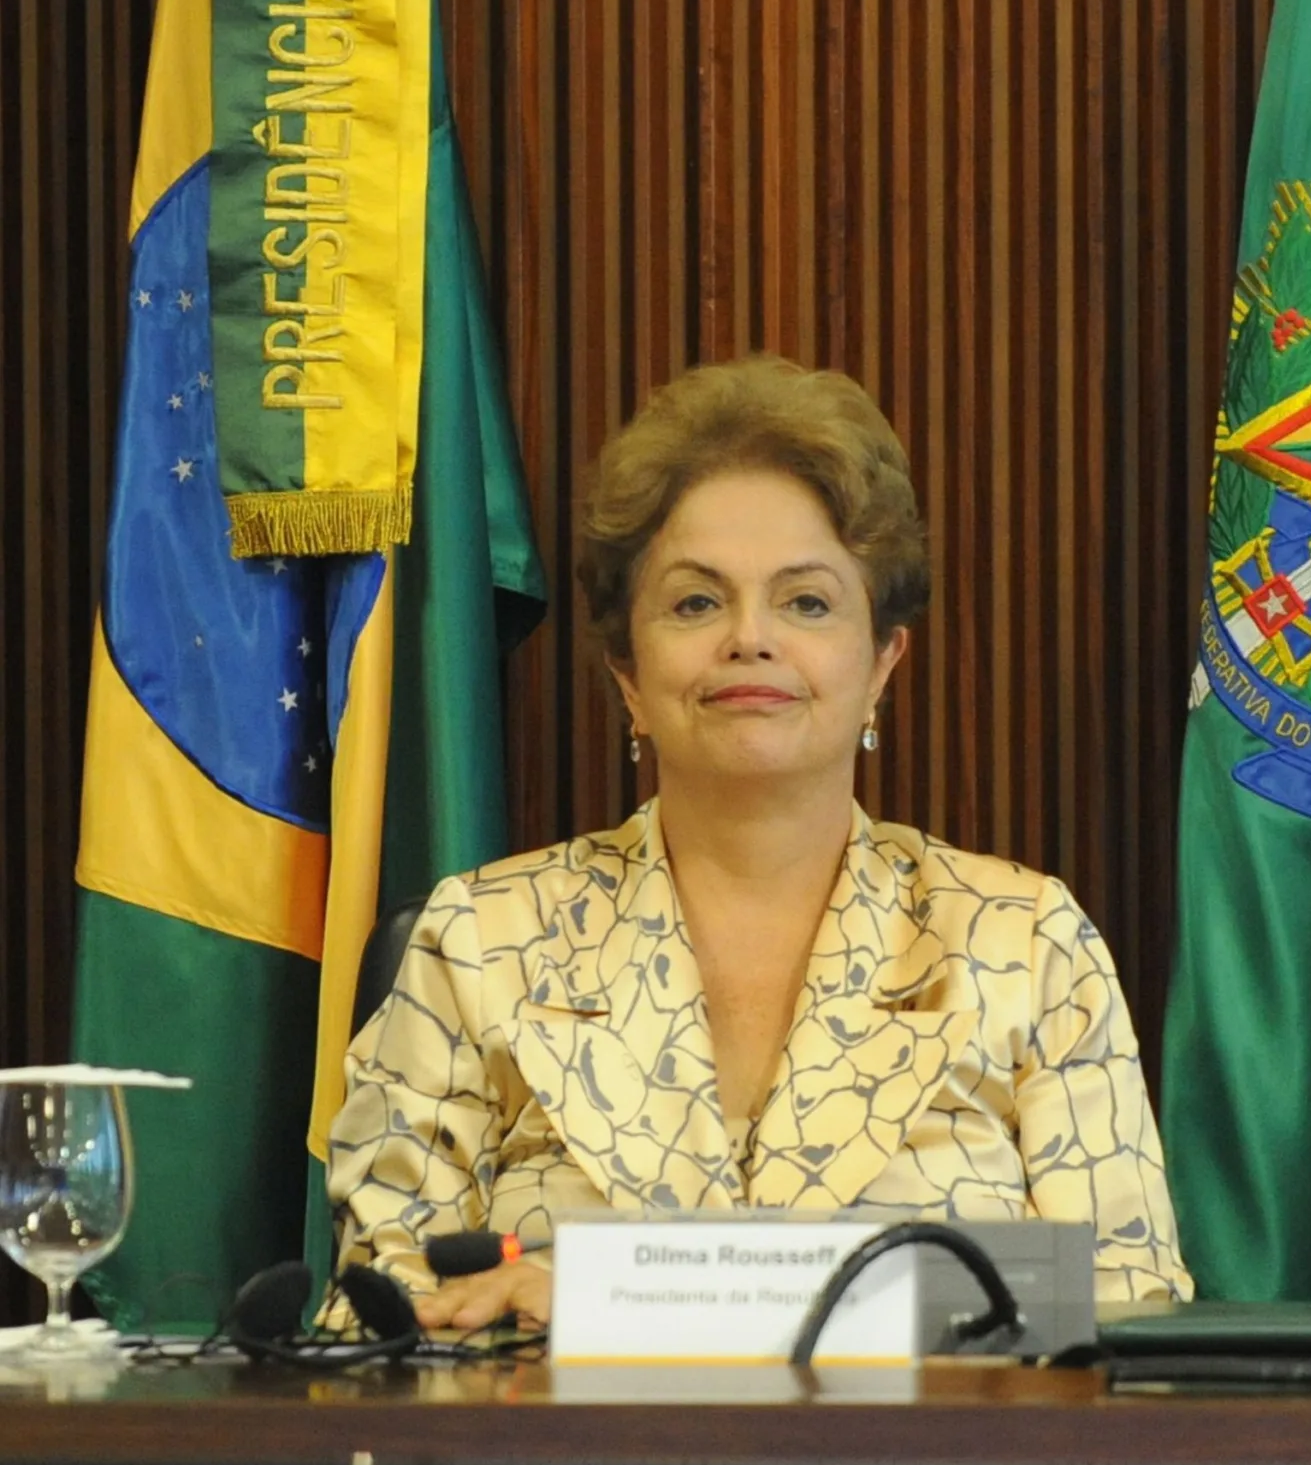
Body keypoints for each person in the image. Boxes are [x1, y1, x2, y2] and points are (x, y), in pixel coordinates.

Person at [330, 356, 1191, 1329]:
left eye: (807, 602)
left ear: (879, 665)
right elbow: (376, 1318)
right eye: (696, 601)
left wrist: (635, 1305)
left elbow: (1127, 1311)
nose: (750, 637)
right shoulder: (481, 939)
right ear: (628, 674)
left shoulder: (1023, 943)